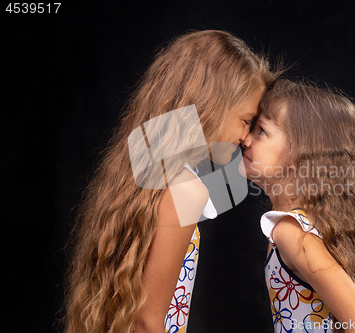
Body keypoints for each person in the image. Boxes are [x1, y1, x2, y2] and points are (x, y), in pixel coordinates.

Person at [64, 30, 277, 333]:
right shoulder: (186, 190)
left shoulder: (135, 171)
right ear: (211, 103)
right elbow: (147, 322)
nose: (245, 138)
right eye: (245, 120)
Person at [239, 79, 355, 332]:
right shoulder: (298, 226)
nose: (245, 139)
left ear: (301, 155)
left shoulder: (292, 232)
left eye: (261, 131)